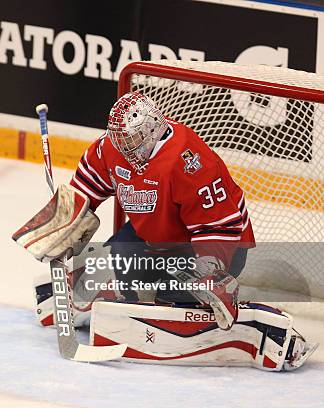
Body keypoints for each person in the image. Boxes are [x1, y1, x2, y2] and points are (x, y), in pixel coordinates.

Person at [13, 92, 255, 331]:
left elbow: (219, 225)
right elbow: (85, 191)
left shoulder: (190, 162)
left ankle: (219, 294)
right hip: (152, 236)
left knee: (172, 302)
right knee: (97, 277)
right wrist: (63, 223)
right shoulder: (110, 147)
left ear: (152, 130)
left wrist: (209, 272)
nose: (122, 147)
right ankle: (117, 301)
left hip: (214, 244)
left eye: (130, 139)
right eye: (119, 138)